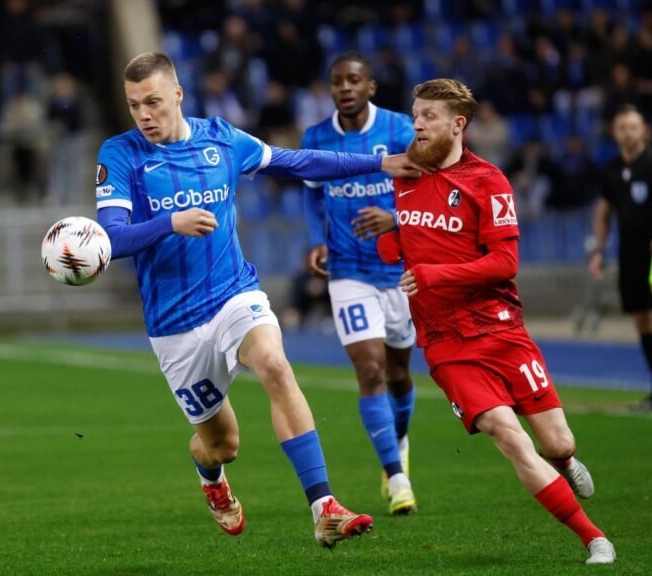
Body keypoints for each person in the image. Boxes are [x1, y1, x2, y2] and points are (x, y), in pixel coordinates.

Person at [93, 52, 423, 548]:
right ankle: (212, 480)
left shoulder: (222, 139)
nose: (144, 115)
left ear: (178, 96)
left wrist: (379, 161)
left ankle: (323, 507)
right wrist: (170, 223)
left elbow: (297, 162)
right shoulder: (120, 155)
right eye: (135, 105)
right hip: (174, 326)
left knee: (273, 363)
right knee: (222, 445)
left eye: (154, 102)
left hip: (233, 295)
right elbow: (111, 238)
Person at [376, 78, 616, 564]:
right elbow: (401, 249)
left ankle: (565, 461)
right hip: (445, 341)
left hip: (501, 329)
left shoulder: (489, 182)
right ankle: (595, 538)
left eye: (429, 116)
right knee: (509, 436)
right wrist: (387, 237)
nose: (417, 123)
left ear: (457, 124)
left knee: (557, 440)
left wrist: (433, 273)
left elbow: (503, 264)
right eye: (416, 114)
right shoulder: (404, 177)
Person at [302, 51, 418, 516]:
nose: (345, 88)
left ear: (370, 86)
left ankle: (400, 439)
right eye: (336, 82)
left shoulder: (400, 132)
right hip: (348, 271)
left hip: (399, 271)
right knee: (369, 371)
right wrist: (317, 240)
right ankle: (397, 475)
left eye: (353, 80)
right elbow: (311, 198)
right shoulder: (317, 138)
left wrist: (394, 218)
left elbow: (426, 189)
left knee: (399, 374)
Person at [589, 104, 652, 411]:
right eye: (622, 127)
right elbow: (604, 212)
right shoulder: (612, 170)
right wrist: (598, 250)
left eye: (633, 126)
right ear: (615, 133)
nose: (628, 132)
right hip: (629, 253)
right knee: (641, 318)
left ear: (644, 131)